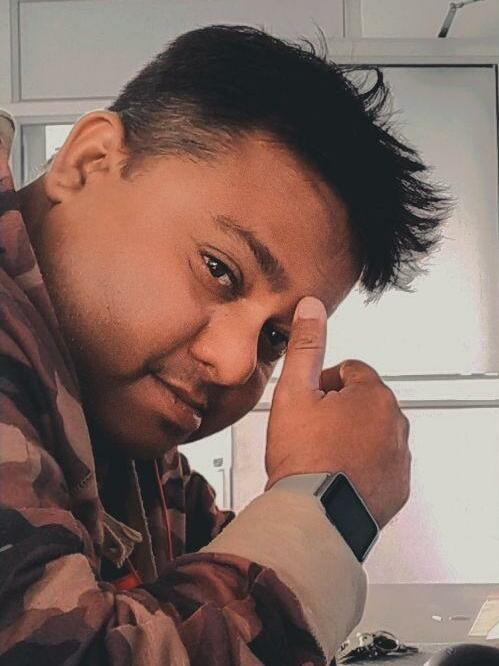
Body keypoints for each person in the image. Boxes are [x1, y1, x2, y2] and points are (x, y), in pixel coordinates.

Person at [0, 25, 449, 665]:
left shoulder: (136, 451)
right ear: (89, 161)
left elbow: (211, 584)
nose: (236, 365)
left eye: (275, 339)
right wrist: (326, 506)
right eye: (219, 270)